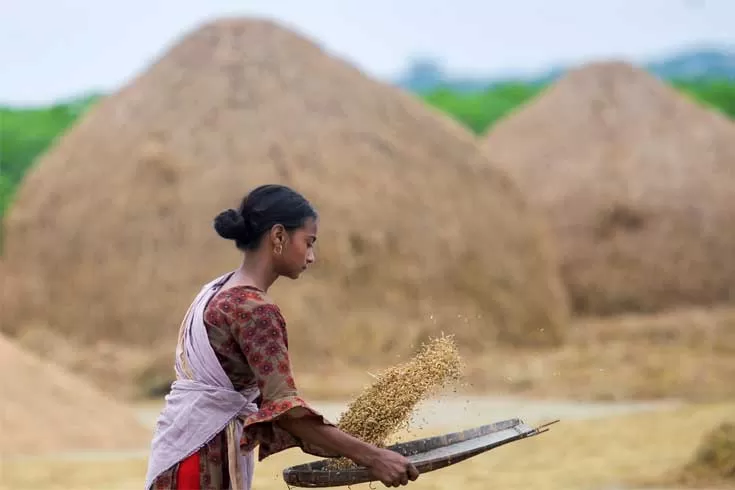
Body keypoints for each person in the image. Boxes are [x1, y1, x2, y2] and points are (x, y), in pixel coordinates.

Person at [145, 184, 420, 489]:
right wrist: (372, 457)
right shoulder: (254, 309)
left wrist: (352, 443)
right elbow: (285, 411)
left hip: (179, 451)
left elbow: (268, 402)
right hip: (204, 460)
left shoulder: (215, 291)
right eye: (309, 242)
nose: (312, 256)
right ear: (278, 237)